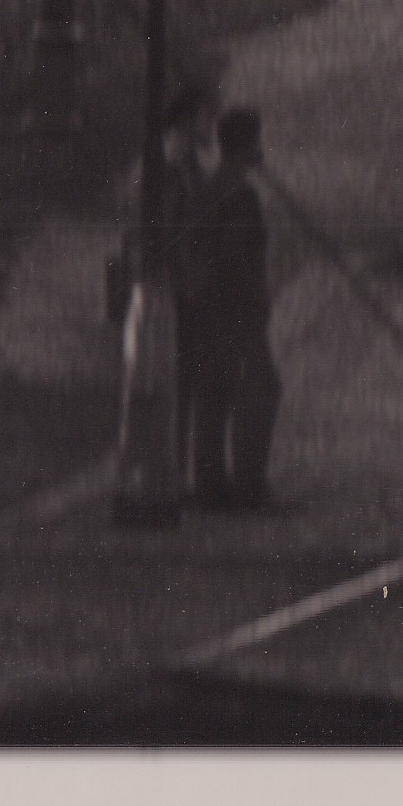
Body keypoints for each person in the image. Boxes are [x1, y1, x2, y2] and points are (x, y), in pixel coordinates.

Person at [110, 86, 207, 528]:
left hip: (149, 289)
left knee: (149, 389)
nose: (209, 128)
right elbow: (168, 240)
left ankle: (142, 484)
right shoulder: (166, 177)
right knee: (154, 390)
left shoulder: (160, 172)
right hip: (158, 290)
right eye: (204, 119)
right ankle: (147, 489)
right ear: (185, 123)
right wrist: (190, 282)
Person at [183, 104, 280, 507]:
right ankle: (249, 486)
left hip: (204, 304)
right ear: (248, 143)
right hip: (236, 306)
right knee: (262, 388)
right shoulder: (241, 194)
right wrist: (257, 299)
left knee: (213, 391)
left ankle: (208, 483)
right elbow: (235, 255)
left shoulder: (206, 187)